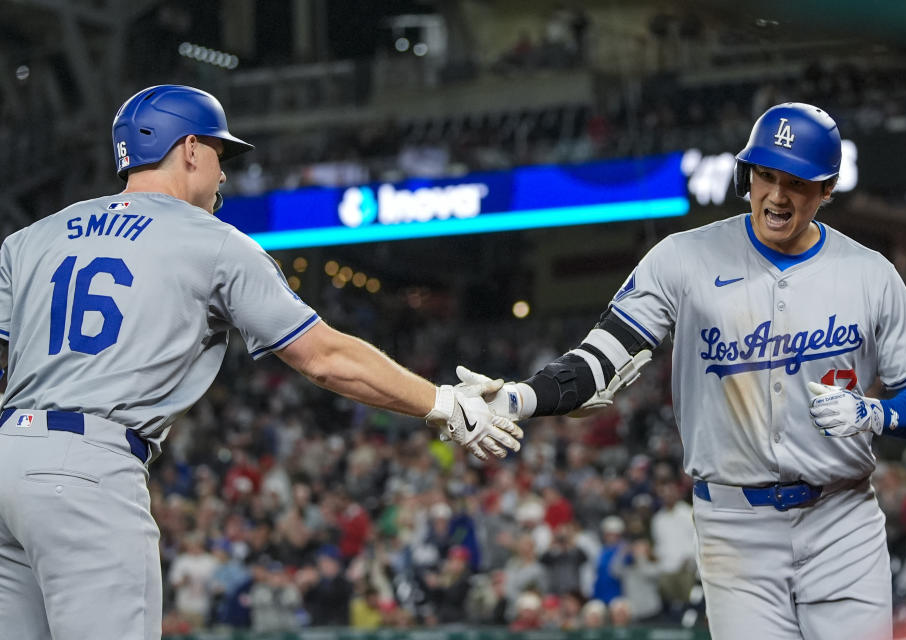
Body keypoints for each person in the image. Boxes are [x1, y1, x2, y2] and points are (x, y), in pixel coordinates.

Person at [0, 84, 522, 640]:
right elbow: (323, 358)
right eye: (220, 156)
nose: (223, 175)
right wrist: (440, 402)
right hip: (87, 470)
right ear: (191, 149)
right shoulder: (215, 242)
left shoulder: (30, 239)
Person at [458, 102, 906, 639]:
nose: (778, 195)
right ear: (747, 175)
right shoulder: (683, 259)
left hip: (843, 520)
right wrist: (518, 399)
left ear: (827, 189)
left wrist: (874, 413)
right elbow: (604, 357)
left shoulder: (869, 274)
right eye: (766, 175)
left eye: (797, 182)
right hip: (735, 528)